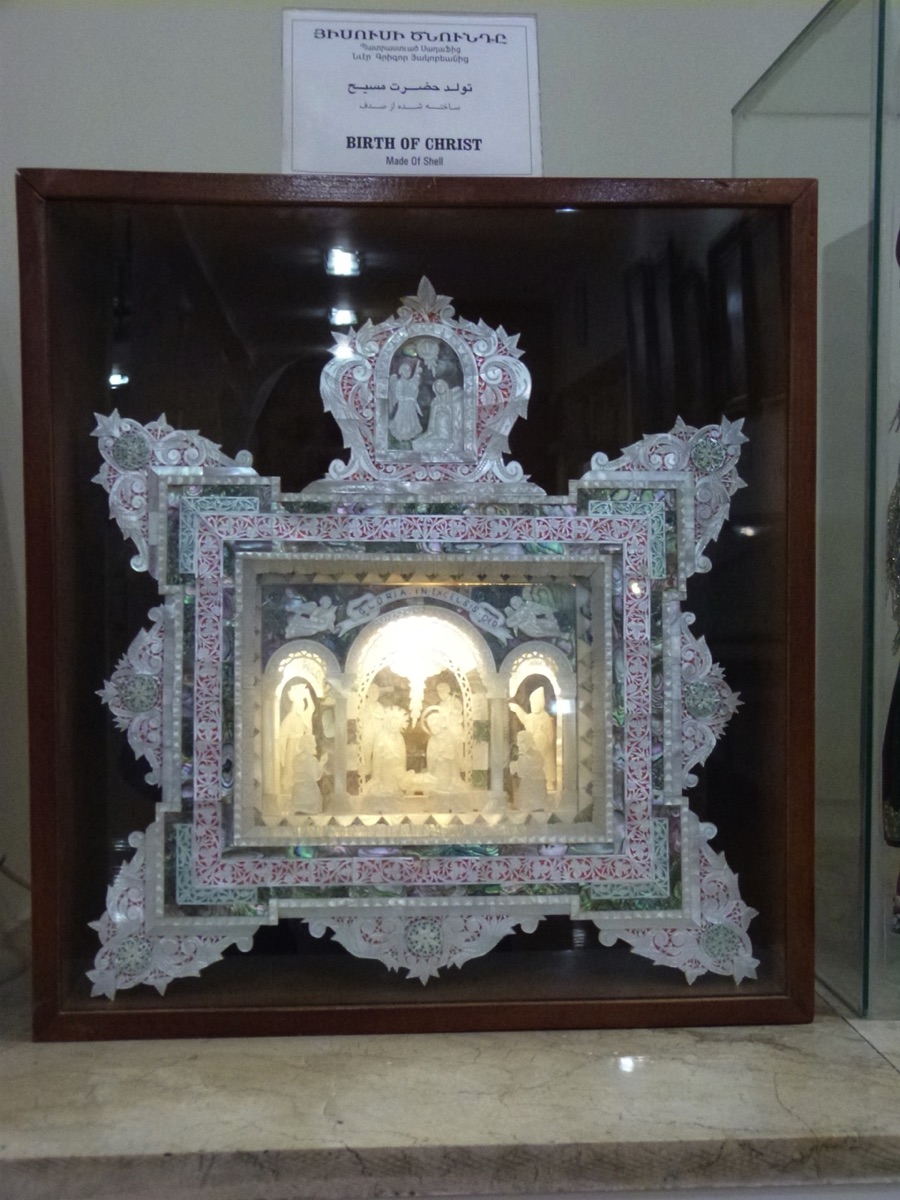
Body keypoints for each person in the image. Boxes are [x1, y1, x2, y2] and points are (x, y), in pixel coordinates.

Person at [509, 686, 556, 790]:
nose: (533, 705)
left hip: (544, 749)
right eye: (532, 703)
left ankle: (549, 782)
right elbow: (525, 719)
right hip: (534, 748)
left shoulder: (545, 717)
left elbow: (550, 735)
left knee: (546, 764)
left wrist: (542, 736)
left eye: (535, 703)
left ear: (541, 703)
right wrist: (517, 709)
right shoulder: (532, 717)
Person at [388, 359, 423, 443]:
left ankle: (410, 435)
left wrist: (417, 371)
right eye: (405, 370)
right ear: (401, 372)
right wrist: (408, 399)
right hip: (403, 407)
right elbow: (398, 396)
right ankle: (402, 435)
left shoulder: (410, 382)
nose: (407, 372)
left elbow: (415, 380)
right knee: (402, 421)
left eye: (409, 370)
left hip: (411, 407)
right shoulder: (400, 382)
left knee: (411, 420)